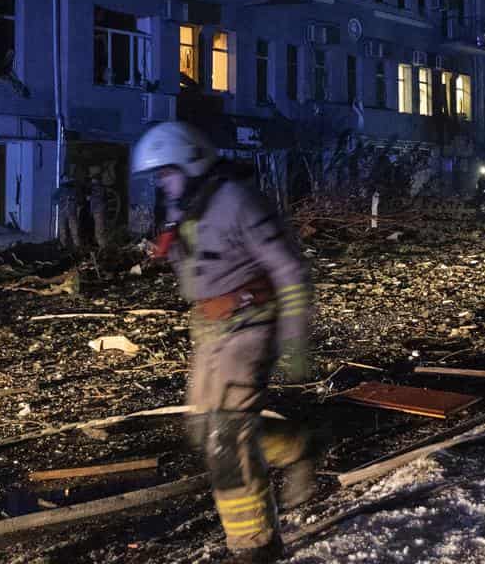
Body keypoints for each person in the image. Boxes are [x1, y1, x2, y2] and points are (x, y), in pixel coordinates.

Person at [132, 122, 319, 562]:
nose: (163, 183)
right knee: (203, 431)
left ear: (192, 163)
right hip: (211, 330)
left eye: (167, 173)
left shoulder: (237, 201)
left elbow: (290, 271)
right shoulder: (186, 207)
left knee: (226, 438)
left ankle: (255, 547)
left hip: (251, 323)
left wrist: (294, 342)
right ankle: (299, 444)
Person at [53, 174, 83, 250]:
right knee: (62, 229)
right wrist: (60, 201)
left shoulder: (74, 190)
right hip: (62, 213)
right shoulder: (60, 190)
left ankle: (77, 245)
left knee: (74, 229)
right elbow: (53, 199)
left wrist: (76, 203)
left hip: (72, 213)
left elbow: (80, 200)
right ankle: (63, 245)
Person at [86, 166, 110, 248]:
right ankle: (103, 247)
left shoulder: (98, 188)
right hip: (97, 211)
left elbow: (98, 198)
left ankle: (104, 248)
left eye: (92, 179)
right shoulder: (97, 188)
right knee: (100, 231)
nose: (91, 180)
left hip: (98, 211)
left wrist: (90, 197)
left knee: (99, 232)